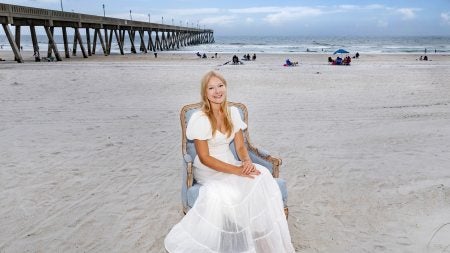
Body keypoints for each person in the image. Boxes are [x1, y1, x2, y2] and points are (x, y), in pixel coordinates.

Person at [165, 71, 295, 253]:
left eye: (220, 86)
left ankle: (260, 235)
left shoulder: (232, 112)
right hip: (209, 169)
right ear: (205, 93)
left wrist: (247, 162)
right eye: (211, 88)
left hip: (229, 161)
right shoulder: (200, 118)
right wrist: (237, 171)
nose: (217, 91)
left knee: (261, 175)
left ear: (226, 87)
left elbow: (241, 147)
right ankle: (242, 241)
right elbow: (204, 158)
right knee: (231, 193)